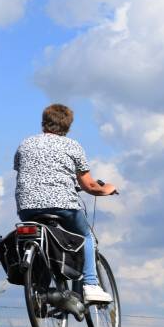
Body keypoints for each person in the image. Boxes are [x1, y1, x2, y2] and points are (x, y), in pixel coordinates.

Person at [14, 104, 117, 303]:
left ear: (43, 122)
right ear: (68, 126)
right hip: (63, 205)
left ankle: (41, 288)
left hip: (27, 207)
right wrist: (107, 189)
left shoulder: (25, 144)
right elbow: (90, 186)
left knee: (43, 238)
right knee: (86, 236)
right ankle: (91, 284)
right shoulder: (72, 146)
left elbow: (24, 172)